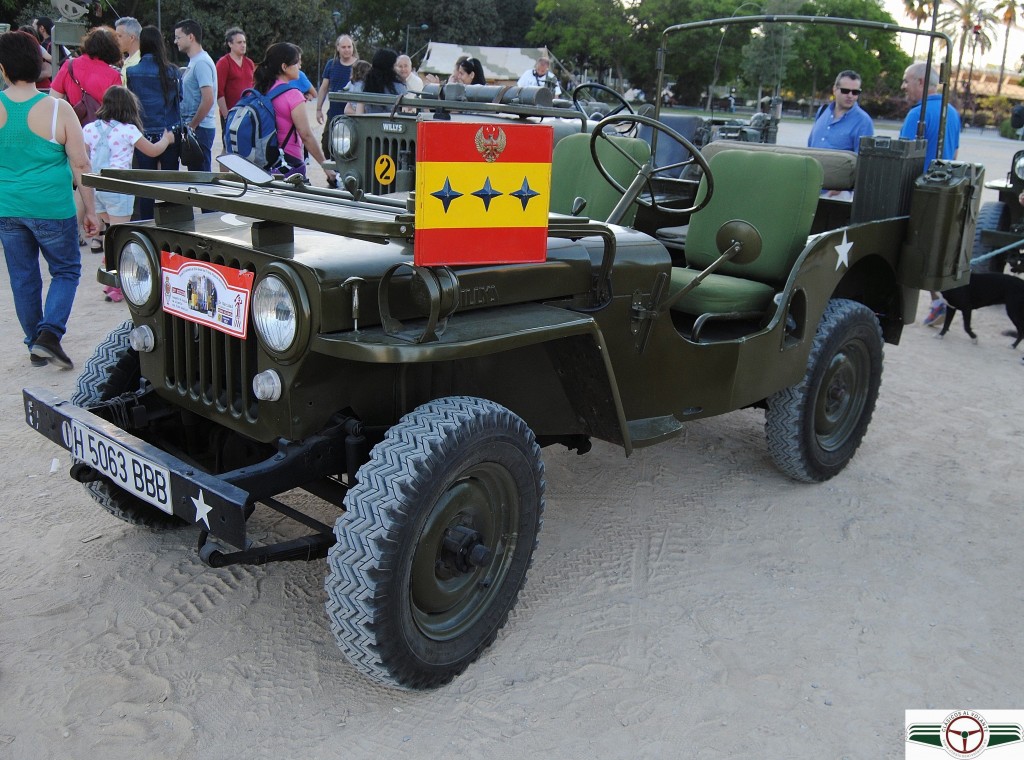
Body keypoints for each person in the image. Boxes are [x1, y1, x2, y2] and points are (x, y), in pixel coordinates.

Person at [0, 30, 99, 369]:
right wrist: (91, 209)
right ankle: (50, 334)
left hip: (8, 208)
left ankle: (35, 342)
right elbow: (81, 164)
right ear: (39, 66)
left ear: (2, 69)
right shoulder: (60, 110)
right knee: (67, 269)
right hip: (52, 208)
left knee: (23, 277)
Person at [82, 86, 173, 300]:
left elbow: (84, 159)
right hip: (119, 189)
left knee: (110, 234)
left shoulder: (90, 128)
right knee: (121, 236)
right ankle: (118, 283)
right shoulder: (128, 130)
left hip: (98, 188)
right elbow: (152, 151)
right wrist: (167, 140)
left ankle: (109, 276)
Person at [899, 62, 962, 327]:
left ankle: (924, 303)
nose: (903, 86)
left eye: (906, 81)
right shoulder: (952, 113)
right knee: (931, 250)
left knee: (908, 250)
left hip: (916, 193)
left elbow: (901, 157)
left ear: (922, 83)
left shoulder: (918, 114)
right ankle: (941, 301)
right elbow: (955, 153)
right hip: (941, 193)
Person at [252, 42, 335, 184]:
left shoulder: (261, 89)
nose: (300, 66)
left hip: (263, 161)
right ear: (284, 67)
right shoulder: (293, 95)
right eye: (296, 63)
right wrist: (326, 167)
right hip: (288, 162)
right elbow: (306, 136)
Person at [125, 26, 183, 218]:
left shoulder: (133, 72)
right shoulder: (173, 72)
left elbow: (132, 103)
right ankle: (173, 223)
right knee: (171, 185)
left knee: (146, 187)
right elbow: (179, 100)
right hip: (169, 132)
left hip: (144, 133)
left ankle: (147, 225)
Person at [173, 19, 217, 172]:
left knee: (201, 177)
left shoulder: (201, 63)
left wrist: (192, 125)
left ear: (190, 37)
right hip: (197, 128)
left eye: (178, 37)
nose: (175, 41)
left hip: (201, 129)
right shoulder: (195, 61)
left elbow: (208, 99)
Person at [50, 26, 122, 110]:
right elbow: (116, 110)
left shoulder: (69, 66)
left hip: (73, 120)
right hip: (100, 121)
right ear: (113, 49)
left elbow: (53, 100)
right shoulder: (114, 75)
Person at [808, 71, 874, 155]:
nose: (850, 95)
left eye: (855, 92)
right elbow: (810, 145)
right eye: (845, 91)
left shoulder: (863, 121)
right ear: (834, 90)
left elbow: (863, 160)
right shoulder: (822, 111)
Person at [216, 27, 254, 137]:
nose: (243, 45)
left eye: (244, 42)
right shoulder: (224, 63)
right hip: (231, 113)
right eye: (239, 42)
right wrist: (226, 116)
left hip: (247, 114)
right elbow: (219, 92)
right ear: (230, 44)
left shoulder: (249, 63)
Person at [347, 49, 406, 115]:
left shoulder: (365, 86)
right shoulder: (400, 88)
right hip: (392, 124)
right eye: (396, 65)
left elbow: (359, 114)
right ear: (390, 68)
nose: (398, 68)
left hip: (370, 124)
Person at [316, 34, 357, 124]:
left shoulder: (359, 65)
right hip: (334, 115)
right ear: (338, 48)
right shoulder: (331, 64)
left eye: (349, 47)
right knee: (327, 138)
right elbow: (324, 88)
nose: (347, 50)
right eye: (343, 47)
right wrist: (318, 109)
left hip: (353, 116)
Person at [114, 16, 141, 84]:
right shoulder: (129, 60)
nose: (116, 40)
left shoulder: (139, 62)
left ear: (132, 38)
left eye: (119, 36)